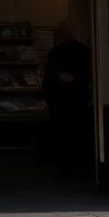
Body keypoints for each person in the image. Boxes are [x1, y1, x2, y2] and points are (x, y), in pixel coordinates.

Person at [43, 20, 93, 178]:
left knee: (67, 134)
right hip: (69, 99)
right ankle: (72, 166)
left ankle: (67, 167)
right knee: (70, 133)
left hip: (68, 100)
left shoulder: (65, 52)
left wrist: (72, 80)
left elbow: (49, 78)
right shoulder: (81, 51)